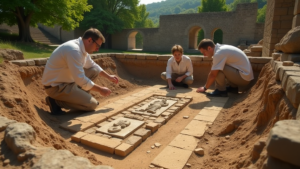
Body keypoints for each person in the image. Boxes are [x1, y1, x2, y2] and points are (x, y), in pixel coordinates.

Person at [42, 28, 118, 115]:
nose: (97, 49)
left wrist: (109, 77)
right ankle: (55, 102)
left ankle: (80, 99)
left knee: (94, 71)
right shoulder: (74, 50)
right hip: (57, 88)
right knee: (92, 105)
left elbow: (92, 65)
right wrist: (100, 89)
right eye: (97, 46)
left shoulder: (82, 48)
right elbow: (80, 80)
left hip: (68, 82)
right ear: (90, 40)